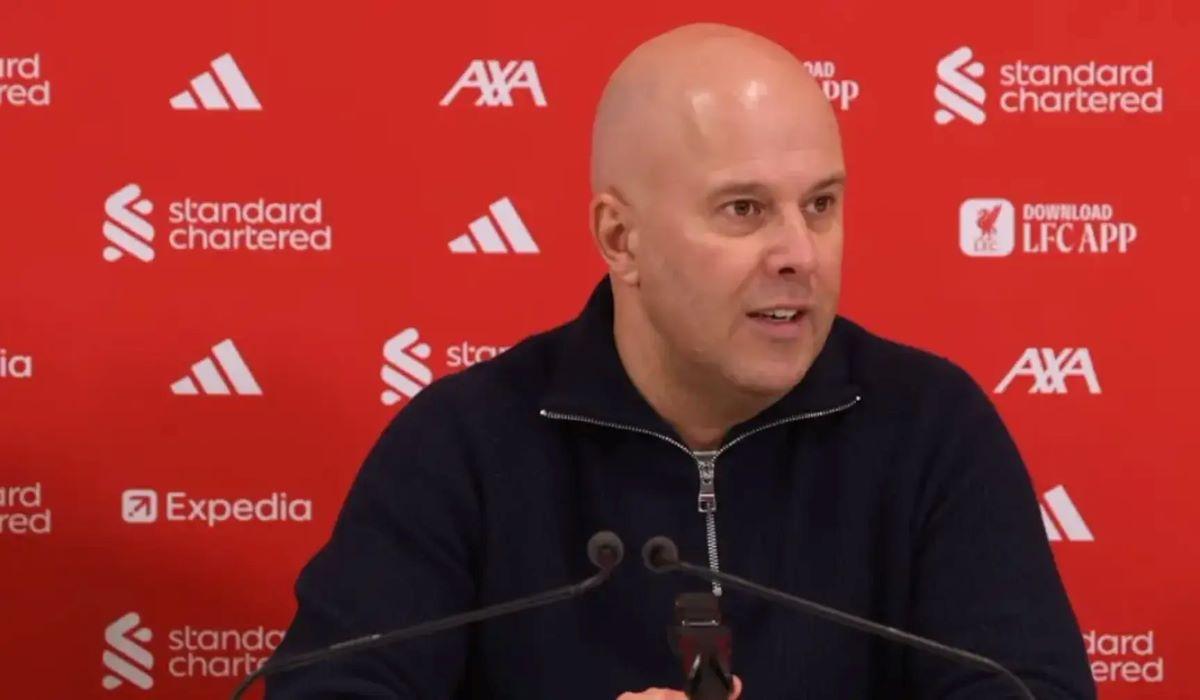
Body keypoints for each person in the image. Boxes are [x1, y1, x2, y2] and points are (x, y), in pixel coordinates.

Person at [266, 23, 1095, 699]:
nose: (801, 253)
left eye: (821, 204)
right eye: (744, 209)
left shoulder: (930, 428)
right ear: (620, 238)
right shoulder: (464, 444)